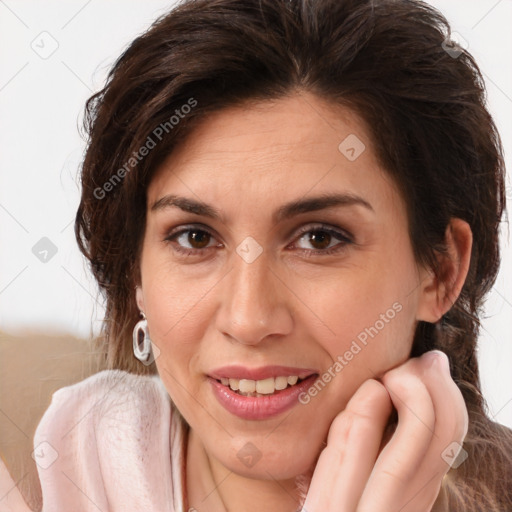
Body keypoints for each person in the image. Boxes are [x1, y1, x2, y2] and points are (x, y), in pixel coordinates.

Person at [2, 0, 511, 510]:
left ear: (440, 271)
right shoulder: (63, 463)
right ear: (137, 275)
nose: (248, 320)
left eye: (319, 239)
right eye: (195, 238)